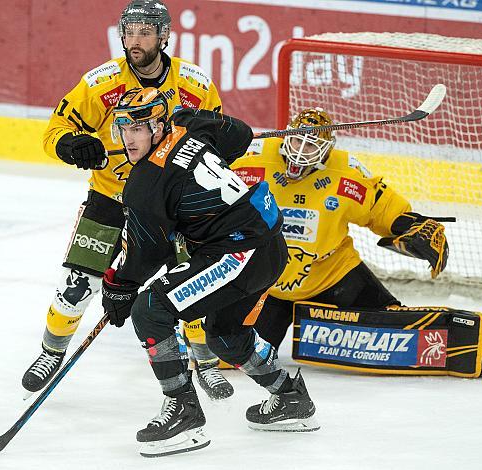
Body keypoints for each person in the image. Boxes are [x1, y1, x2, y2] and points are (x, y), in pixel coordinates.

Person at [22, 0, 233, 400]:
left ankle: (203, 361)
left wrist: (216, 140)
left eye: (145, 33)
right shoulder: (102, 84)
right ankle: (51, 351)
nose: (135, 42)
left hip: (172, 204)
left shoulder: (195, 85)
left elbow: (217, 138)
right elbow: (55, 130)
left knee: (193, 281)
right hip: (111, 197)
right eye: (130, 32)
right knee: (78, 285)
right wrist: (73, 145)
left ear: (164, 36)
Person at [101, 87, 319, 457]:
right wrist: (203, 120)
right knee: (227, 337)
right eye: (123, 128)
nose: (128, 138)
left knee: (150, 310)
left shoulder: (145, 182)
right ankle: (291, 397)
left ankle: (185, 413)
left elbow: (147, 253)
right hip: (267, 245)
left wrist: (119, 287)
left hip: (239, 252)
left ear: (157, 126)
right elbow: (241, 135)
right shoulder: (189, 129)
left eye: (138, 129)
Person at [230, 108, 482, 376]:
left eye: (311, 146)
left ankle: (461, 349)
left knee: (395, 323)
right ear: (286, 137)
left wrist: (409, 224)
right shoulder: (251, 161)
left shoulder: (346, 173)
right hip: (265, 283)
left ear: (326, 151)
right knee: (231, 351)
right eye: (298, 141)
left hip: (332, 274)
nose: (301, 151)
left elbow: (379, 207)